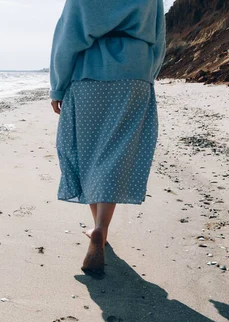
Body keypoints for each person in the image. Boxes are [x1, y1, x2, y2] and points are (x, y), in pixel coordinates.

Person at [49, 0, 166, 274]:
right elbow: (159, 37)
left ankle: (99, 230)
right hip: (135, 74)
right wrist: (148, 75)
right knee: (116, 154)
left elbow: (68, 36)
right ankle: (101, 227)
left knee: (88, 155)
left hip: (90, 74)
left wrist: (58, 86)